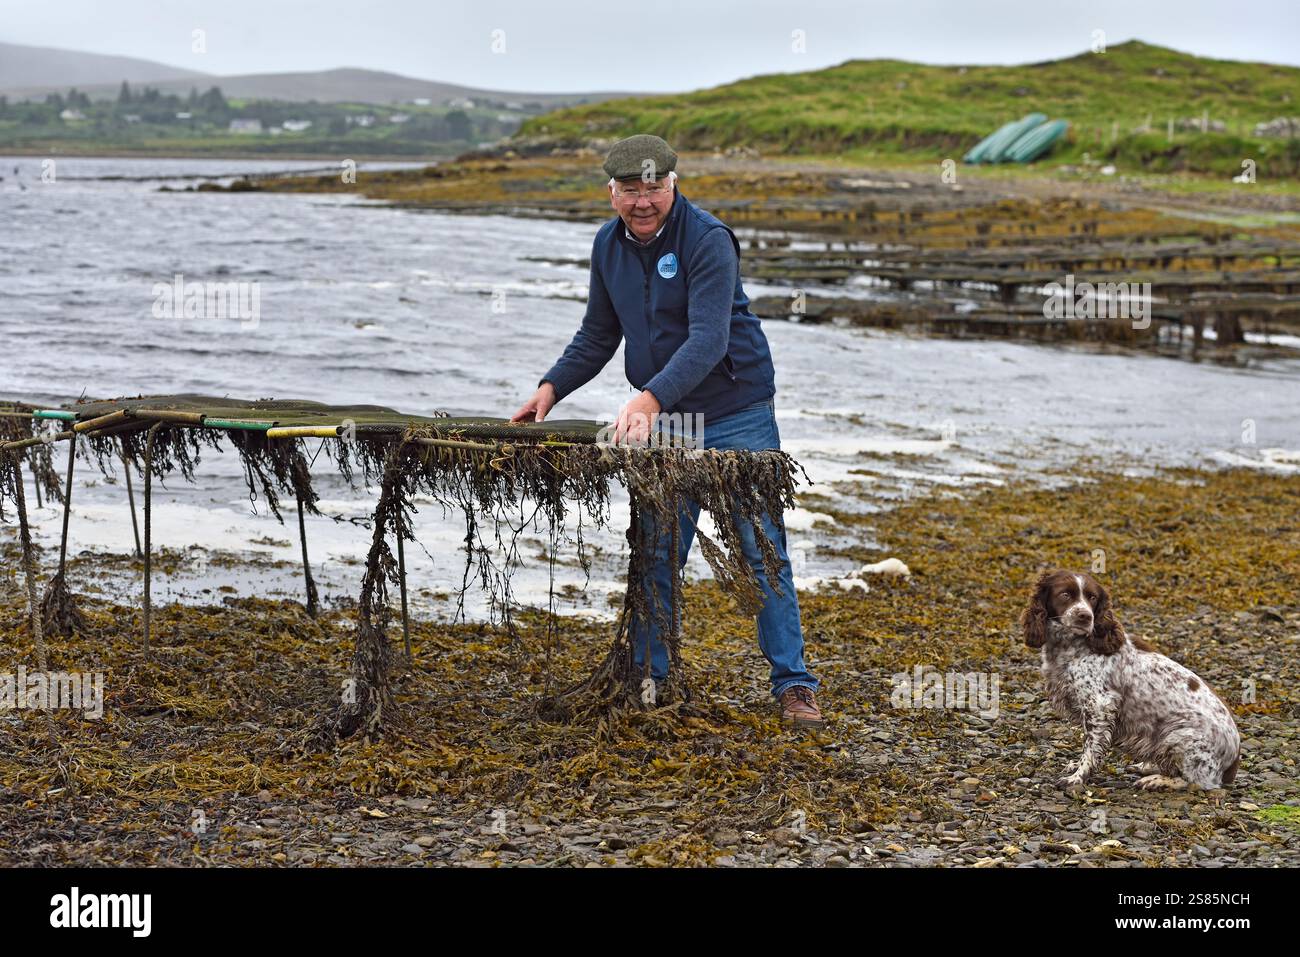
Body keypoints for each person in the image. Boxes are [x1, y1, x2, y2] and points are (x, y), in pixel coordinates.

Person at [511, 134, 822, 727]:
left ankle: (794, 686)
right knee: (656, 552)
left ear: (673, 185)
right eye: (631, 190)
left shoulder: (707, 239)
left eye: (654, 188)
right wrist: (549, 390)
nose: (643, 201)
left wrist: (648, 399)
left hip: (737, 413)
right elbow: (598, 336)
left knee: (762, 554)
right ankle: (651, 678)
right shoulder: (608, 245)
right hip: (668, 419)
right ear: (612, 193)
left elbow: (709, 339)